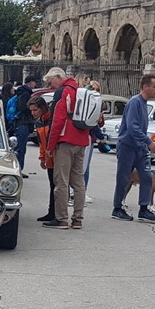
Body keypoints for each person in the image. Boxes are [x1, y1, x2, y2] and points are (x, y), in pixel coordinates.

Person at [42, 66, 88, 230]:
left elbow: (58, 120)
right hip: (81, 139)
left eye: (50, 82)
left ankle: (61, 218)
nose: (50, 86)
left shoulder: (63, 92)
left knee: (61, 181)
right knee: (78, 181)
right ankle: (78, 219)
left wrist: (50, 145)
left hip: (65, 139)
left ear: (58, 77)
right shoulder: (81, 90)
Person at [112, 74, 155, 223]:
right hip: (128, 147)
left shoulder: (144, 104)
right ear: (145, 87)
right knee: (124, 178)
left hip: (139, 150)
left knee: (146, 177)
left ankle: (144, 209)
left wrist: (144, 144)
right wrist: (148, 142)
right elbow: (133, 128)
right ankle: (117, 208)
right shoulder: (135, 102)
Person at [29, 95, 57, 223]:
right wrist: (42, 158)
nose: (33, 113)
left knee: (57, 185)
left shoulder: (52, 119)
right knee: (52, 185)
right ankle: (52, 212)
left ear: (42, 108)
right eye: (31, 110)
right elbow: (41, 142)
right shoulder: (40, 121)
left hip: (56, 155)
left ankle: (55, 213)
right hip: (49, 157)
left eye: (35, 110)